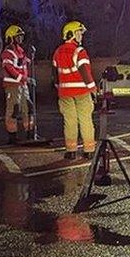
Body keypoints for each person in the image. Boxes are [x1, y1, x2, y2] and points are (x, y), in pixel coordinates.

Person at [52, 21, 97, 160]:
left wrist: (58, 87)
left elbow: (54, 74)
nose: (81, 36)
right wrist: (93, 89)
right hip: (82, 92)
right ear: (71, 34)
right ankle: (88, 150)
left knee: (69, 121)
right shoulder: (79, 51)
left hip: (64, 94)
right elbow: (85, 72)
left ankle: (71, 151)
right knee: (85, 120)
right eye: (79, 33)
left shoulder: (57, 52)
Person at [1, 25, 34, 144]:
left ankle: (30, 132)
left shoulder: (21, 51)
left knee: (28, 108)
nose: (20, 39)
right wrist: (23, 78)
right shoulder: (8, 52)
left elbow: (24, 64)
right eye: (17, 37)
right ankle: (12, 136)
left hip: (23, 85)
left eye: (21, 36)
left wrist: (31, 57)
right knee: (14, 110)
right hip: (13, 86)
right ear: (11, 38)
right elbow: (9, 68)